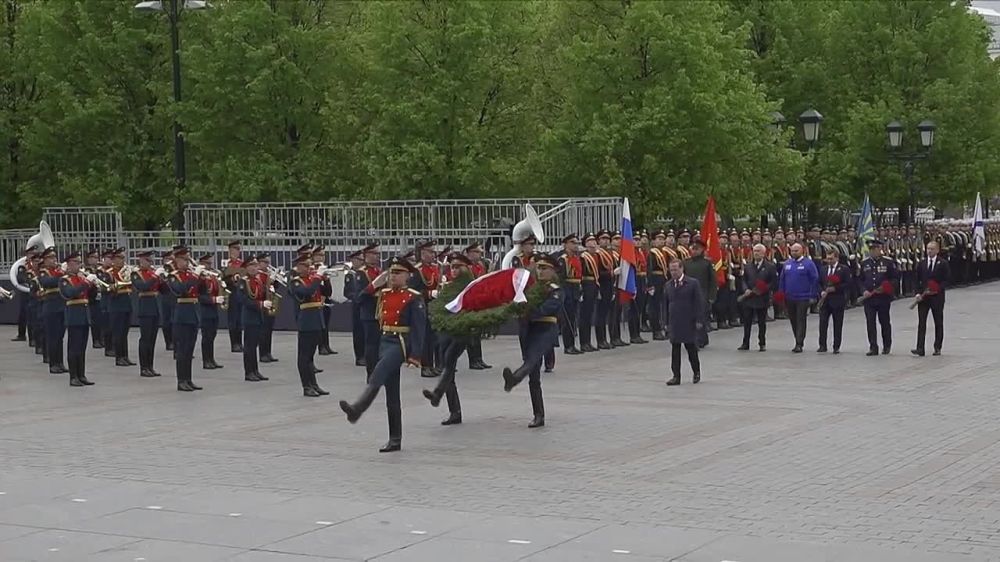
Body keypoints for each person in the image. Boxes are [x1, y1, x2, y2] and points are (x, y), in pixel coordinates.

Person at [340, 257, 425, 452]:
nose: (393, 276)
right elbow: (359, 300)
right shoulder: (384, 293)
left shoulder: (413, 297)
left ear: (407, 276)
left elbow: (420, 328)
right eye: (391, 273)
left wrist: (416, 355)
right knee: (391, 394)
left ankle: (357, 409)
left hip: (401, 342)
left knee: (378, 371)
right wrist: (373, 285)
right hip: (385, 341)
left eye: (398, 273)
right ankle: (395, 439)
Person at [501, 254, 564, 428]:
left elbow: (548, 308)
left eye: (545, 268)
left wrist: (529, 310)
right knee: (534, 375)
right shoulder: (530, 288)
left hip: (545, 330)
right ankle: (538, 414)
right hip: (528, 331)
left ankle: (514, 378)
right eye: (539, 268)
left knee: (533, 359)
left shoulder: (554, 289)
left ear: (553, 271)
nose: (541, 271)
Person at [422, 253, 474, 425]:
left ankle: (438, 395)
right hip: (446, 332)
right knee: (448, 367)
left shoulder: (471, 286)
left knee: (448, 361)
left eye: (458, 266)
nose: (454, 270)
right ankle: (454, 411)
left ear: (467, 268)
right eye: (452, 266)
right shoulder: (448, 286)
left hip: (462, 331)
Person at [289, 255, 329, 397]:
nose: (309, 268)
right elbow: (306, 293)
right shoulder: (296, 282)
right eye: (306, 265)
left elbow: (327, 293)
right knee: (304, 357)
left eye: (310, 265)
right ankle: (306, 386)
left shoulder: (313, 280)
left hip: (317, 320)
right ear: (298, 267)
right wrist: (318, 277)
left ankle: (314, 384)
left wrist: (325, 279)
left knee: (311, 357)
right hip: (306, 321)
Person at [167, 248, 204, 392]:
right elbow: (181, 289)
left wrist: (203, 278)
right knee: (182, 350)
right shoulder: (173, 276)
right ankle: (181, 380)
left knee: (190, 350)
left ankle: (188, 379)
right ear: (177, 260)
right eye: (185, 260)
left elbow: (201, 290)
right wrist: (195, 276)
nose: (187, 262)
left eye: (188, 260)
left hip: (193, 313)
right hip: (182, 315)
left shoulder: (190, 274)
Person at [58, 252, 96, 386]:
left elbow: (90, 297)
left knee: (82, 347)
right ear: (69, 264)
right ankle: (73, 376)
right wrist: (86, 283)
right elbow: (70, 293)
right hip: (74, 315)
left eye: (80, 262)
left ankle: (81, 374)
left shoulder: (81, 279)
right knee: (74, 347)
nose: (80, 265)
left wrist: (94, 285)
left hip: (84, 315)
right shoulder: (64, 280)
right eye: (77, 262)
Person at [665, 259, 703, 386]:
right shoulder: (669, 285)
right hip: (674, 321)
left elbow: (698, 302)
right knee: (675, 350)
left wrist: (699, 319)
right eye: (671, 270)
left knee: (691, 348)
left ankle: (696, 371)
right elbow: (665, 304)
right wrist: (665, 322)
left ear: (682, 269)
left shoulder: (692, 283)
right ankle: (676, 376)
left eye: (676, 269)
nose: (673, 272)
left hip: (688, 320)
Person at [860, 239, 899, 356]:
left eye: (875, 249)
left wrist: (886, 287)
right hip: (869, 298)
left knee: (884, 322)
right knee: (870, 323)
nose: (872, 252)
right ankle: (873, 346)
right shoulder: (865, 263)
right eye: (870, 249)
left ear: (879, 249)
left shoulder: (888, 262)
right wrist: (863, 291)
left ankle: (887, 345)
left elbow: (895, 279)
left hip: (883, 298)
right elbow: (860, 280)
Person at [777, 242, 818, 353]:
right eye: (792, 251)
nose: (794, 253)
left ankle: (799, 343)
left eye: (796, 251)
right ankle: (797, 338)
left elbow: (814, 279)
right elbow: (782, 279)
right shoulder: (787, 264)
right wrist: (781, 294)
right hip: (789, 297)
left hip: (803, 297)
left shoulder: (808, 264)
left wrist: (813, 295)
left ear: (802, 251)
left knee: (801, 319)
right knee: (793, 320)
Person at [912, 240, 950, 356]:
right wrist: (918, 293)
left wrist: (937, 288)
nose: (929, 251)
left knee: (938, 322)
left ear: (937, 250)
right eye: (928, 249)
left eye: (932, 249)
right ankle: (920, 348)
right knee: (921, 323)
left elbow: (947, 279)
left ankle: (937, 347)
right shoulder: (922, 263)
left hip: (936, 297)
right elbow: (916, 279)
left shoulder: (942, 263)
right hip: (924, 298)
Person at [410, 239, 440, 378]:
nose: (433, 254)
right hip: (422, 307)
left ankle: (432, 365)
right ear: (422, 253)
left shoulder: (433, 268)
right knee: (425, 338)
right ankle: (425, 366)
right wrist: (429, 293)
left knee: (432, 338)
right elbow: (413, 291)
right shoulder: (417, 270)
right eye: (430, 252)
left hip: (433, 307)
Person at [738, 244, 776, 352]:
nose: (756, 253)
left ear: (764, 253)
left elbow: (773, 282)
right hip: (749, 298)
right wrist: (745, 289)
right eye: (754, 251)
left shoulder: (770, 266)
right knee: (747, 322)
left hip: (761, 297)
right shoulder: (748, 266)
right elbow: (744, 280)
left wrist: (762, 289)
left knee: (761, 322)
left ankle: (762, 343)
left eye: (758, 251)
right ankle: (745, 343)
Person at [131, 250, 163, 378]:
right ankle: (144, 367)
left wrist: (163, 280)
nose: (150, 263)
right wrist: (155, 276)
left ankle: (150, 366)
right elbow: (142, 286)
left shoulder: (152, 273)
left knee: (152, 339)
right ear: (141, 260)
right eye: (148, 260)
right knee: (145, 339)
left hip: (155, 307)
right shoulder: (136, 274)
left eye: (151, 261)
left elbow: (164, 290)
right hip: (145, 307)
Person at [37, 247, 68, 374]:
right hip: (51, 308)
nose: (54, 259)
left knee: (60, 337)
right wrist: (62, 273)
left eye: (55, 257)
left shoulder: (57, 271)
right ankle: (53, 364)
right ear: (44, 260)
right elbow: (47, 282)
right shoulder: (43, 272)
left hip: (61, 307)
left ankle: (60, 363)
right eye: (51, 257)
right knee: (52, 337)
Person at [238, 256, 269, 382]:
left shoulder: (258, 281)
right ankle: (249, 372)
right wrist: (260, 304)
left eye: (256, 265)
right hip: (249, 317)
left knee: (254, 345)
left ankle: (255, 370)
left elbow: (261, 294)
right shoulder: (243, 281)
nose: (256, 268)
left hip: (258, 316)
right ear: (247, 267)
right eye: (253, 266)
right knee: (249, 346)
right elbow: (243, 300)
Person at [464, 242, 493, 369]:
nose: (479, 255)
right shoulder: (466, 267)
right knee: (472, 333)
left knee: (478, 332)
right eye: (476, 252)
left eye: (480, 253)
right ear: (469, 253)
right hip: (470, 302)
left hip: (480, 300)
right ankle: (473, 360)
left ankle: (479, 358)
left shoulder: (480, 265)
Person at [816, 248, 850, 354]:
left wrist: (835, 288)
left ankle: (836, 346)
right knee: (822, 323)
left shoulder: (843, 269)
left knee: (837, 323)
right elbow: (819, 283)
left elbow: (848, 284)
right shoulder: (823, 269)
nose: (829, 261)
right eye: (827, 258)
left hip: (837, 299)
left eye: (831, 259)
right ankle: (822, 345)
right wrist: (821, 291)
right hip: (825, 300)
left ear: (836, 257)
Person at [682, 240, 716, 349]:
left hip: (703, 293)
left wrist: (712, 296)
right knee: (691, 318)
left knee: (701, 317)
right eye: (693, 248)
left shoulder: (707, 263)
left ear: (702, 250)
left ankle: (701, 339)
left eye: (697, 249)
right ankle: (695, 339)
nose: (695, 251)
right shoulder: (686, 263)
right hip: (689, 294)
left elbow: (712, 281)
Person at [555, 234, 583, 354]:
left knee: (573, 318)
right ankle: (568, 345)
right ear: (565, 244)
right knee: (567, 319)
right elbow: (560, 279)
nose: (575, 245)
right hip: (567, 289)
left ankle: (572, 344)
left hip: (576, 288)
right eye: (573, 243)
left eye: (577, 243)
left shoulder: (576, 258)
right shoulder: (563, 259)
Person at [358, 243, 382, 377]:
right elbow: (359, 296)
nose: (376, 256)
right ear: (366, 255)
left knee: (379, 345)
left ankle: (379, 372)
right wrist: (373, 286)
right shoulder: (361, 273)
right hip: (369, 313)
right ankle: (371, 374)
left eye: (377, 254)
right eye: (374, 253)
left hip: (380, 313)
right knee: (371, 345)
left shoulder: (378, 271)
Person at [197, 253, 225, 370]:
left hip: (213, 309)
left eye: (210, 263)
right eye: (207, 263)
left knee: (212, 335)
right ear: (202, 263)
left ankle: (211, 359)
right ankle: (206, 360)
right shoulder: (200, 278)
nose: (210, 265)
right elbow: (200, 296)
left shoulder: (212, 275)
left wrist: (221, 285)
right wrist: (213, 299)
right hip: (205, 309)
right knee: (206, 336)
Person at [108, 248, 135, 366]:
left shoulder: (127, 270)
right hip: (116, 304)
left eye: (123, 258)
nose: (122, 260)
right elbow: (107, 288)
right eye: (120, 258)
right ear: (114, 259)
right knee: (118, 332)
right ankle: (119, 357)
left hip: (126, 303)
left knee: (124, 332)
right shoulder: (109, 272)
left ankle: (125, 356)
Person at [312, 245, 337, 356]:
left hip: (326, 298)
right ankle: (321, 346)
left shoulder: (324, 268)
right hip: (317, 300)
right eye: (320, 255)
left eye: (323, 255)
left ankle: (326, 345)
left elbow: (328, 289)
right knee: (320, 325)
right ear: (314, 256)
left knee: (326, 324)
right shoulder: (312, 269)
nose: (322, 257)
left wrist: (326, 280)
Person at [578, 233, 600, 352]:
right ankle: (583, 342)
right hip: (586, 285)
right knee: (584, 316)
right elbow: (581, 273)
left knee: (590, 314)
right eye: (590, 241)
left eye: (594, 241)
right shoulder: (583, 257)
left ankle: (588, 342)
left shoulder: (597, 256)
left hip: (594, 286)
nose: (593, 243)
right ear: (585, 244)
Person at [647, 230, 670, 341]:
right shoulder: (652, 253)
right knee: (655, 306)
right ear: (653, 241)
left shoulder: (664, 252)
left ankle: (664, 327)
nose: (661, 241)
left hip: (663, 280)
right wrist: (650, 285)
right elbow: (649, 269)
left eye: (662, 239)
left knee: (664, 305)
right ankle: (656, 330)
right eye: (659, 239)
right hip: (655, 280)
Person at [344, 249, 366, 366]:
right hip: (357, 305)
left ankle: (367, 354)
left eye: (362, 260)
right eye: (359, 260)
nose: (361, 262)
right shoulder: (350, 275)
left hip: (366, 304)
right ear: (353, 260)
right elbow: (347, 292)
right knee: (358, 331)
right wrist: (356, 297)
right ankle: (360, 356)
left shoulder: (364, 273)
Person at [257, 253, 279, 363]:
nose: (268, 265)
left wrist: (275, 281)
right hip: (262, 305)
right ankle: (262, 353)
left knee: (269, 329)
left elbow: (273, 288)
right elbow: (260, 290)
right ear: (259, 263)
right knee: (263, 330)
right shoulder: (258, 275)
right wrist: (269, 281)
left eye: (268, 262)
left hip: (270, 302)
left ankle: (268, 352)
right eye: (265, 262)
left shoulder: (267, 274)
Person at [224, 240, 244, 353]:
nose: (237, 252)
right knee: (233, 319)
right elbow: (223, 279)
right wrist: (231, 279)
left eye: (238, 250)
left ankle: (239, 342)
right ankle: (234, 343)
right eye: (235, 249)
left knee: (240, 319)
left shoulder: (241, 264)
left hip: (240, 293)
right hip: (231, 293)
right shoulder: (227, 264)